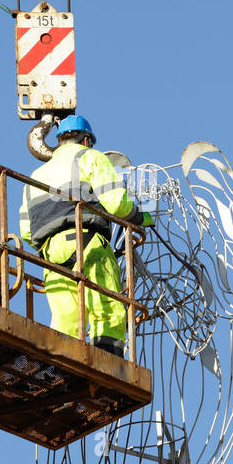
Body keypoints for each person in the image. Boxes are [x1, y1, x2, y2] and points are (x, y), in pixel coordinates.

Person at [19, 115, 154, 356]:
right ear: (86, 140)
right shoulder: (90, 157)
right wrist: (141, 218)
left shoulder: (34, 176)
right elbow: (116, 205)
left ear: (60, 141)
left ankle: (61, 363)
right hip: (88, 243)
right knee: (108, 306)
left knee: (66, 316)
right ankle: (108, 362)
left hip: (51, 255)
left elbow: (27, 231)